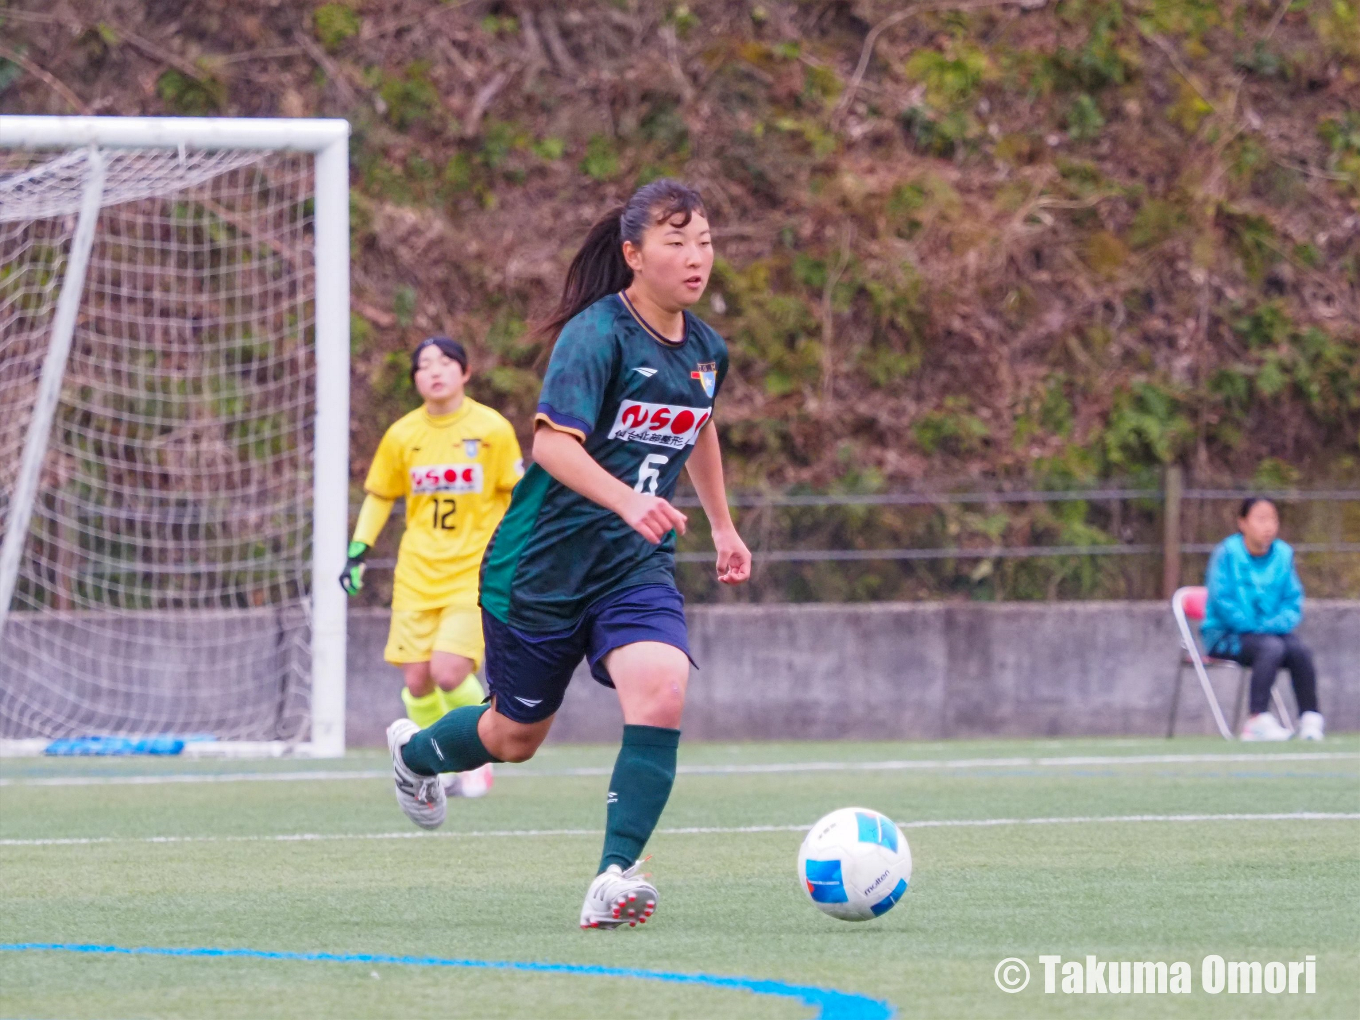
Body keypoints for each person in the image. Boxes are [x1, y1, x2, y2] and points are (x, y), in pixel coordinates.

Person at [383, 179, 752, 929]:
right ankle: (417, 756)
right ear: (633, 254)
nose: (695, 257)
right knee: (513, 738)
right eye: (676, 241)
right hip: (540, 569)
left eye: (705, 241)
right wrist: (628, 499)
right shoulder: (598, 333)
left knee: (663, 687)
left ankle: (614, 875)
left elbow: (700, 425)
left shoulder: (706, 348)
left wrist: (723, 525)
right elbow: (551, 445)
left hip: (632, 565)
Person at [343, 336, 524, 796]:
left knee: (449, 671)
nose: (435, 370)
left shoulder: (492, 429)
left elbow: (519, 497)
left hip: (473, 572)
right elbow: (381, 496)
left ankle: (480, 754)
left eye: (446, 361)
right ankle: (434, 767)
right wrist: (358, 550)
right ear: (415, 380)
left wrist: (522, 552)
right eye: (424, 365)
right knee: (418, 681)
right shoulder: (403, 434)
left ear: (465, 372)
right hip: (417, 574)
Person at [1202, 496, 1324, 742]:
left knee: (1299, 650)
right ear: (1242, 523)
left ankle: (1310, 718)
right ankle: (1257, 719)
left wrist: (1270, 626)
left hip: (1269, 633)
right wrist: (1252, 627)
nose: (1268, 526)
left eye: (1273, 519)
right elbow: (1221, 599)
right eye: (1260, 519)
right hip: (1227, 636)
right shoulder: (1227, 553)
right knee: (1271, 647)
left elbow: (1292, 602)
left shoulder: (1283, 554)